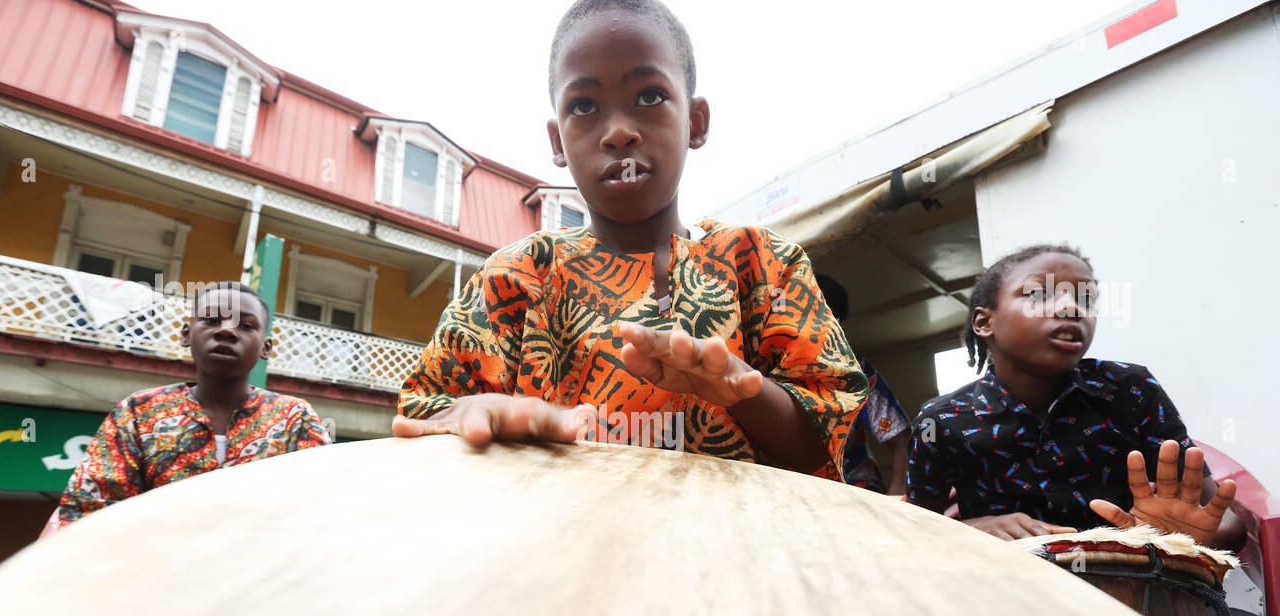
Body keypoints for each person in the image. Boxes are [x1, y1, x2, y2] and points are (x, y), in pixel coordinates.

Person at [391, 0, 867, 480]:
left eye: (649, 96)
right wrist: (483, 414)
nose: (618, 132)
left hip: (732, 551)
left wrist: (743, 391)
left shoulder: (765, 267)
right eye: (584, 106)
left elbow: (826, 448)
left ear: (696, 122)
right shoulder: (514, 280)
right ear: (558, 141)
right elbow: (422, 418)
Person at [905, 244, 1279, 616]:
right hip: (1013, 610)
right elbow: (910, 535)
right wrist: (967, 528)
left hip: (1155, 600)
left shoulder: (1130, 389)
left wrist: (1192, 537)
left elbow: (1222, 529)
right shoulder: (942, 420)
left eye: (1085, 300)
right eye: (1039, 295)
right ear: (985, 323)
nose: (1069, 308)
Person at [58, 281, 331, 526]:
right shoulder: (139, 412)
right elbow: (89, 513)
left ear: (266, 347)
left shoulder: (295, 417)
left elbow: (326, 505)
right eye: (211, 320)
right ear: (186, 334)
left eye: (246, 326)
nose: (227, 331)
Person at [816, 274, 911, 494]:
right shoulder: (766, 367)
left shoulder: (856, 373)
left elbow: (901, 439)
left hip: (855, 489)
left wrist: (897, 496)